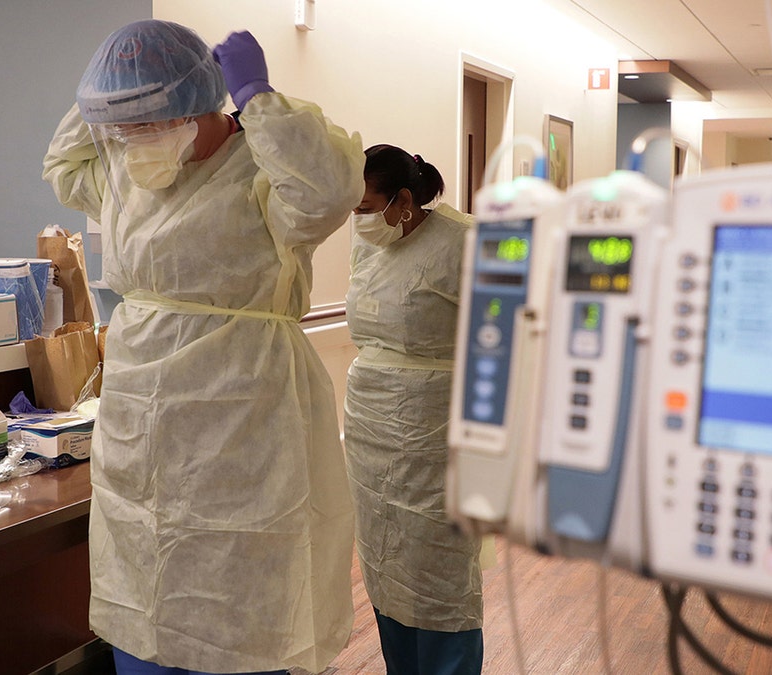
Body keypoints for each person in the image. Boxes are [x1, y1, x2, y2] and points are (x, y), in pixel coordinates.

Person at [41, 20, 364, 675]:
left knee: (241, 583)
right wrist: (102, 100)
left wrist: (258, 98)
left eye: (147, 123)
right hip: (139, 405)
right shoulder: (123, 166)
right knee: (142, 569)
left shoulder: (265, 163)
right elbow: (62, 167)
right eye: (121, 128)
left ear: (197, 107)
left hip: (243, 404)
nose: (131, 141)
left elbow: (329, 194)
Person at [344, 144, 483, 674]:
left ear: (403, 200)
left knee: (437, 568)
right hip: (369, 425)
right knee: (383, 559)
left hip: (435, 425)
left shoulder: (463, 243)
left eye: (365, 207)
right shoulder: (370, 246)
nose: (358, 220)